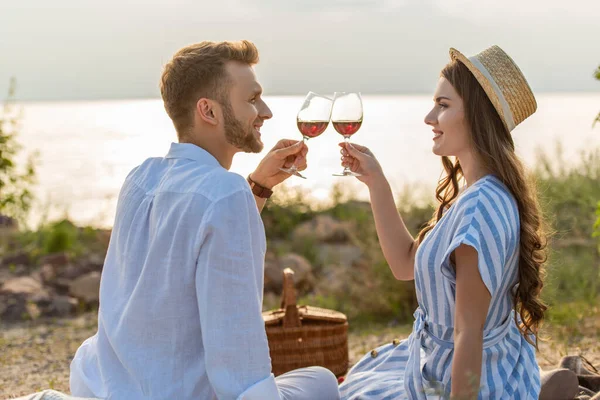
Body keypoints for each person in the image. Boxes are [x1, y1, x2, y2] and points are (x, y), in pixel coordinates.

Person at [69, 40, 340, 400]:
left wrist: (257, 187)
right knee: (321, 380)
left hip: (109, 385)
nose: (266, 111)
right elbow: (237, 356)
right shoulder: (225, 194)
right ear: (208, 111)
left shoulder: (140, 178)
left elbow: (186, 250)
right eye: (252, 99)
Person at [337, 45, 547, 399]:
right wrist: (376, 181)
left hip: (460, 385)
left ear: (477, 117)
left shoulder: (479, 210)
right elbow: (405, 264)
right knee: (364, 377)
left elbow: (469, 333)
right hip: (455, 368)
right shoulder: (476, 192)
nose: (429, 117)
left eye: (443, 105)